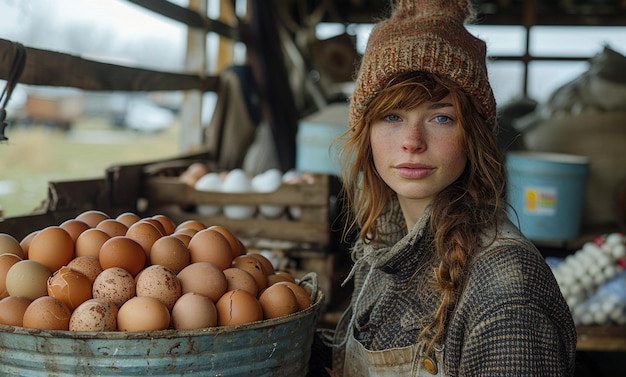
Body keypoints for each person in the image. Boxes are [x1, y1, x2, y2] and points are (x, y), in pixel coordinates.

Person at [324, 0, 578, 376]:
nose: (412, 141)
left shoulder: (507, 294)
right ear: (367, 134)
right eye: (392, 116)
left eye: (441, 117)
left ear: (472, 136)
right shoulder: (383, 250)